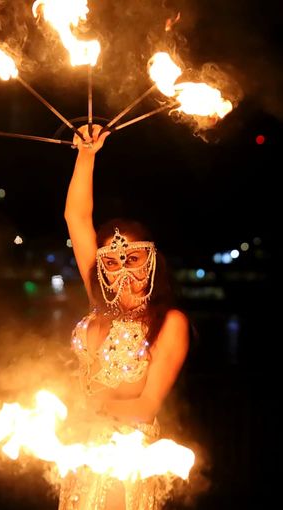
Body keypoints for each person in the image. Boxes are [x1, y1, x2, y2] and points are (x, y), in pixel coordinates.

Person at [59, 124, 190, 510]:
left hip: (126, 459)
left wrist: (85, 414)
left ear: (151, 261)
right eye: (112, 262)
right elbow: (76, 218)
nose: (122, 271)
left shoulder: (171, 322)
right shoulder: (98, 305)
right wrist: (86, 155)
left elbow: (147, 404)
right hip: (82, 453)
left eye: (132, 258)